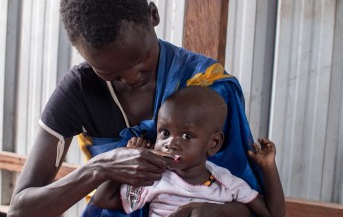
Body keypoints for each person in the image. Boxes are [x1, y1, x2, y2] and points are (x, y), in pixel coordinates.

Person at [8, 0, 261, 216]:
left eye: (141, 61)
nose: (131, 79)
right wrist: (101, 168)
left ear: (153, 16)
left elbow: (253, 202)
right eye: (109, 73)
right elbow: (21, 211)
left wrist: (218, 210)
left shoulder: (207, 87)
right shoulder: (80, 91)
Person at [90, 86, 285, 217]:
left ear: (213, 143)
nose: (170, 144)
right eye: (164, 133)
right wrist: (127, 157)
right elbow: (102, 200)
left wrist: (268, 167)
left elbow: (273, 213)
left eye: (187, 136)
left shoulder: (225, 182)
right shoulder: (153, 179)